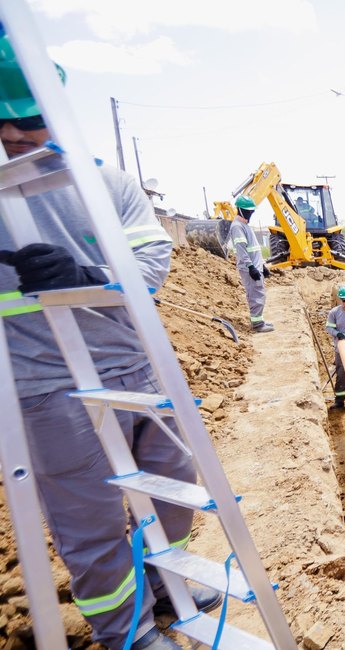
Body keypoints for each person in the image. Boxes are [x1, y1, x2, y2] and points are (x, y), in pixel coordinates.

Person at [0, 42, 218, 650]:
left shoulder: (105, 182)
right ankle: (128, 631)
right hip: (45, 387)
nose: (17, 132)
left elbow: (151, 260)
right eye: (4, 118)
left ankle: (161, 578)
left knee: (172, 484)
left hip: (133, 366)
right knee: (89, 522)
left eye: (30, 116)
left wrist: (85, 275)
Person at [229, 195, 275, 333]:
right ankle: (257, 324)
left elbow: (253, 249)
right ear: (240, 210)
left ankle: (259, 320)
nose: (250, 213)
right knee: (256, 295)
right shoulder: (237, 227)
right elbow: (241, 249)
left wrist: (261, 265)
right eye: (248, 211)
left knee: (259, 294)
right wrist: (251, 267)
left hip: (255, 266)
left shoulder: (244, 226)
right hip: (249, 268)